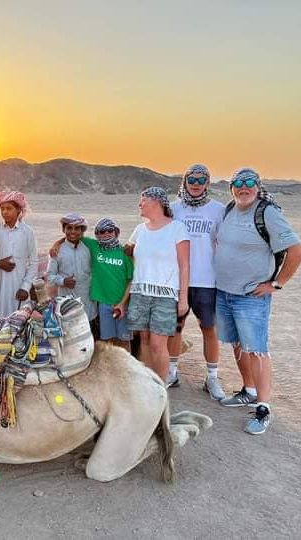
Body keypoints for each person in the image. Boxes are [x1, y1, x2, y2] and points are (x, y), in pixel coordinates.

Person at [215, 168, 301, 435]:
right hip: (225, 292)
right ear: (231, 188)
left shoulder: (267, 213)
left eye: (249, 183)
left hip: (251, 296)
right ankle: (248, 390)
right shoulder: (230, 209)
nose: (243, 187)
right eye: (238, 183)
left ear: (258, 186)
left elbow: (295, 250)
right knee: (238, 344)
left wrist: (276, 283)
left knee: (257, 348)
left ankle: (263, 407)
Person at [167, 164, 226, 400]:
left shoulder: (218, 210)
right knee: (175, 327)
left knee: (208, 328)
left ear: (208, 183)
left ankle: (212, 377)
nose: (196, 183)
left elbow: (226, 243)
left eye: (202, 179)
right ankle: (171, 372)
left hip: (207, 280)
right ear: (185, 180)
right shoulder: (173, 209)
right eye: (192, 178)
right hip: (177, 280)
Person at [125, 187, 190, 380]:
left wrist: (183, 299)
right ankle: (148, 384)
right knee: (143, 340)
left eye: (143, 200)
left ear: (156, 202)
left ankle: (161, 386)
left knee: (157, 344)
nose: (139, 205)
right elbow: (124, 254)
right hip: (140, 292)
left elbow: (184, 265)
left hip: (165, 295)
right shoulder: (139, 230)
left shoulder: (177, 228)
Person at [83, 218, 133, 350]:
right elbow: (74, 236)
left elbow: (131, 280)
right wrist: (57, 244)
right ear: (96, 234)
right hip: (104, 304)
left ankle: (127, 368)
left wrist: (122, 303)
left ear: (116, 232)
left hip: (122, 304)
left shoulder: (124, 253)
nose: (106, 234)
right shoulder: (94, 247)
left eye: (110, 230)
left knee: (124, 339)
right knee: (107, 341)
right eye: (101, 231)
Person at [47, 214, 98, 335]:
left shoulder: (88, 247)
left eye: (77, 228)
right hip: (67, 305)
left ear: (82, 230)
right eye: (69, 228)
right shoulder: (57, 250)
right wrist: (63, 281)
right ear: (64, 229)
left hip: (88, 304)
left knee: (88, 339)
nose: (73, 232)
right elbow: (49, 276)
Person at [0, 191, 38, 317]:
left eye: (9, 208)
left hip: (19, 287)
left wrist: (25, 287)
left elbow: (33, 263)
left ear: (18, 210)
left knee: (19, 321)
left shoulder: (28, 232)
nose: (5, 212)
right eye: (2, 209)